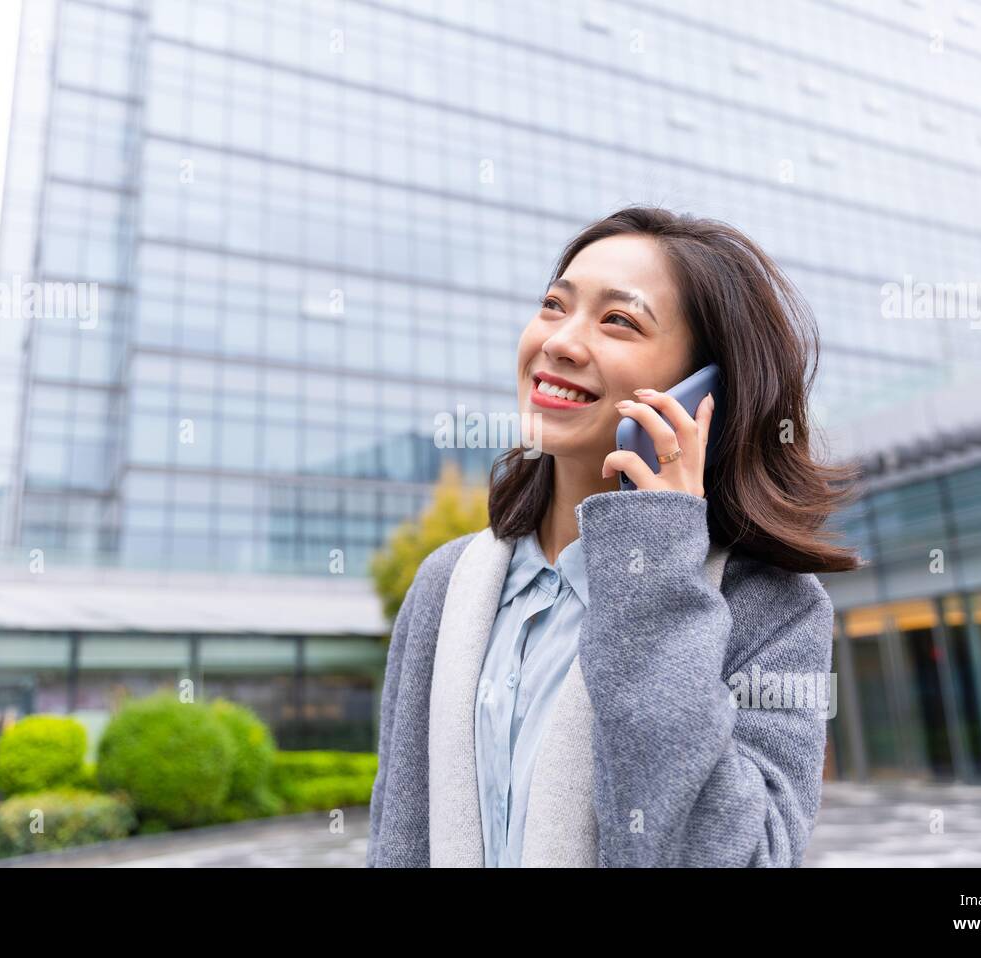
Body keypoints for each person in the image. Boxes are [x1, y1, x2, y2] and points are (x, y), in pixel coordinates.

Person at [367, 205, 861, 867]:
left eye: (618, 320)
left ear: (701, 389)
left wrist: (657, 564)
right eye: (553, 305)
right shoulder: (448, 584)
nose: (562, 342)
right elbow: (395, 838)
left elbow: (730, 857)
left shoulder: (772, 606)